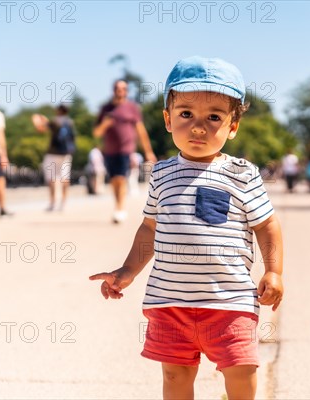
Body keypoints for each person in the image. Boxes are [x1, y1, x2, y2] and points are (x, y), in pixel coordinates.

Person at [89, 56, 284, 400]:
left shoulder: (243, 174)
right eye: (185, 114)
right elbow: (149, 229)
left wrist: (274, 271)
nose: (198, 127)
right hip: (169, 302)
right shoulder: (162, 174)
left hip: (230, 302)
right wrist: (127, 270)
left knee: (241, 371)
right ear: (167, 119)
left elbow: (267, 225)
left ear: (233, 125)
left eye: (213, 117)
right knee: (176, 378)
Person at [94, 79, 157, 223]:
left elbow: (140, 130)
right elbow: (97, 132)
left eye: (123, 89)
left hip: (126, 149)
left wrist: (148, 151)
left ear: (127, 91)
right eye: (117, 88)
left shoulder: (132, 108)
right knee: (114, 180)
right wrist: (105, 123)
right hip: (109, 150)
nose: (120, 91)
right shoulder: (106, 109)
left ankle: (120, 208)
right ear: (113, 90)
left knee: (121, 178)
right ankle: (118, 206)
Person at [32, 104, 76, 211]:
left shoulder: (54, 121)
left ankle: (53, 203)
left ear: (58, 110)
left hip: (52, 153)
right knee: (65, 178)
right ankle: (63, 203)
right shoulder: (70, 122)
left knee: (51, 179)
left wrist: (36, 120)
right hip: (66, 153)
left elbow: (41, 129)